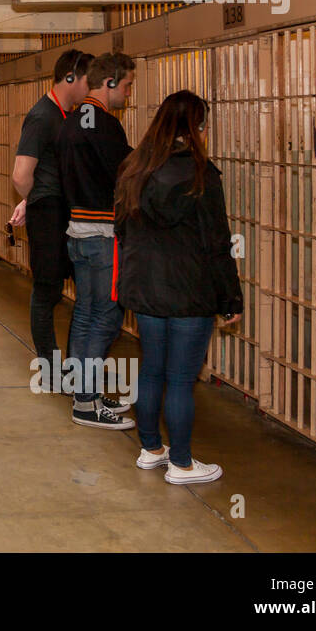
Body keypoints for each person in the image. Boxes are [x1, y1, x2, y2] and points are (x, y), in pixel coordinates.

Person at [115, 90, 242, 484]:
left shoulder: (134, 168)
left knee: (152, 371)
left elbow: (121, 229)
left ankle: (151, 449)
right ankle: (182, 464)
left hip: (148, 288)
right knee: (182, 379)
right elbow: (217, 242)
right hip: (190, 290)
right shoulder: (202, 174)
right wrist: (230, 297)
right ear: (198, 127)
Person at [56, 52, 136, 429]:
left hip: (77, 231)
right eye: (126, 86)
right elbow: (126, 174)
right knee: (105, 318)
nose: (127, 93)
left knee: (85, 315)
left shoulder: (70, 123)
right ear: (108, 83)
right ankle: (86, 403)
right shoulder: (105, 125)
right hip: (103, 235)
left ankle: (83, 393)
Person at [9, 50, 92, 374]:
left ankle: (66, 364)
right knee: (47, 290)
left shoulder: (66, 114)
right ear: (70, 77)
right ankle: (51, 366)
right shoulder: (43, 116)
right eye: (88, 80)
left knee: (58, 288)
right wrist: (38, 201)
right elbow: (21, 175)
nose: (91, 87)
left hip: (59, 212)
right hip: (50, 216)